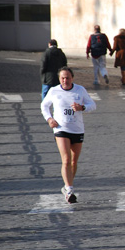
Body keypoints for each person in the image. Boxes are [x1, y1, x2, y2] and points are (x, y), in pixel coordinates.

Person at [40, 67, 96, 204]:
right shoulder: (54, 91)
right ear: (59, 79)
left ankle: (66, 185)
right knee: (66, 159)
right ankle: (70, 190)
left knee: (73, 162)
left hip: (77, 129)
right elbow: (44, 106)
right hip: (60, 128)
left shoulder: (80, 90)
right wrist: (49, 119)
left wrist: (82, 108)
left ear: (72, 78)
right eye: (62, 78)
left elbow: (92, 105)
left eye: (68, 78)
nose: (65, 80)